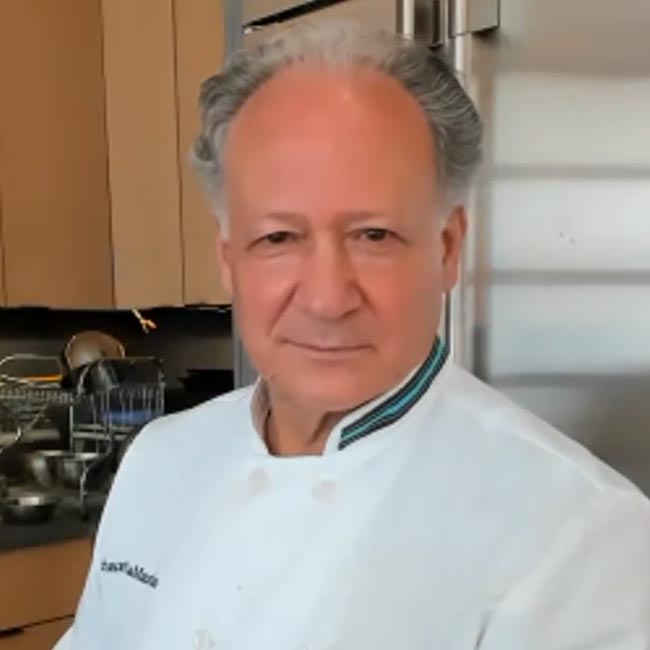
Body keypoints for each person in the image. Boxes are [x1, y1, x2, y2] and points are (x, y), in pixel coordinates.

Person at [55, 21, 650, 650]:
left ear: (448, 248)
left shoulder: (577, 534)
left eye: (373, 236)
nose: (327, 300)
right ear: (229, 259)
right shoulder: (160, 459)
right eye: (278, 238)